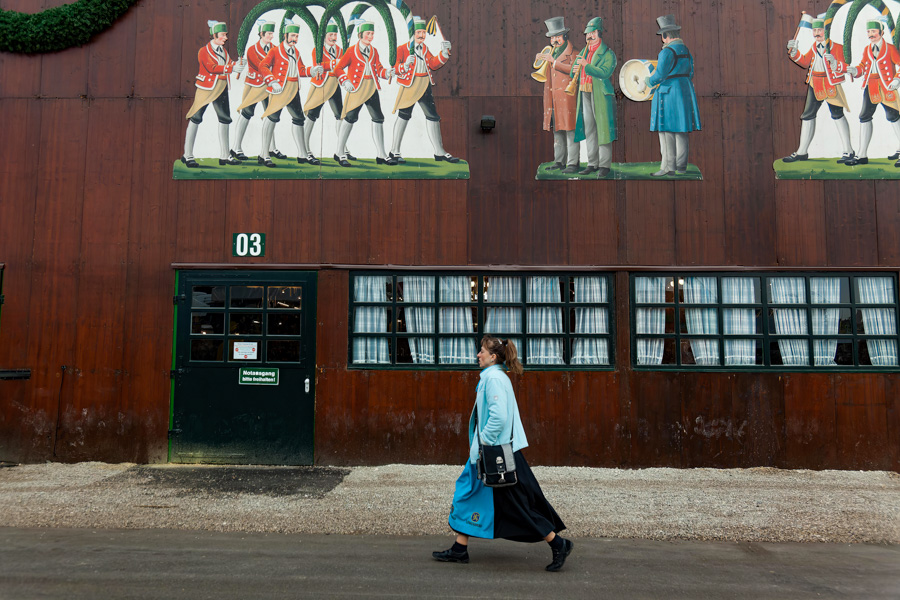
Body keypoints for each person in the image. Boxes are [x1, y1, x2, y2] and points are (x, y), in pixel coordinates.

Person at [432, 337, 573, 572]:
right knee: (469, 494)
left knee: (518, 504)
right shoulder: (494, 377)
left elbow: (499, 417)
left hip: (495, 455)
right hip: (492, 452)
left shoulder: (495, 378)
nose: (478, 354)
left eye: (482, 351)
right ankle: (459, 548)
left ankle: (558, 543)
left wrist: (484, 442)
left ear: (493, 356)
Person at [783, 15, 854, 164]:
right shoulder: (814, 47)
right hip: (815, 84)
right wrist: (794, 52)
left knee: (837, 114)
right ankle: (802, 152)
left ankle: (848, 150)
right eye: (814, 30)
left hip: (830, 84)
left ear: (826, 31)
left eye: (820, 30)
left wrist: (836, 64)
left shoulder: (837, 47)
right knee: (808, 115)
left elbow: (844, 66)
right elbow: (804, 62)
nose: (817, 33)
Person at [389, 17, 458, 164]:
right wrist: (404, 66)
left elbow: (432, 64)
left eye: (423, 32)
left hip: (424, 84)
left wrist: (444, 53)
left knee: (433, 116)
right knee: (404, 115)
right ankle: (394, 151)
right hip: (410, 85)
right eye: (418, 32)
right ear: (412, 33)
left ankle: (439, 151)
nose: (421, 35)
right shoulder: (402, 49)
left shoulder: (424, 48)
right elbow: (394, 68)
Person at [639, 15, 701, 176]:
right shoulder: (685, 50)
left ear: (667, 35)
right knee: (681, 130)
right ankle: (681, 166)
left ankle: (668, 168)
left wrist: (646, 81)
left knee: (666, 132)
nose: (662, 40)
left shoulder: (667, 52)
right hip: (684, 90)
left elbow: (659, 75)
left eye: (662, 37)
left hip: (668, 93)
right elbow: (691, 71)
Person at [258, 22, 325, 168]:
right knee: (272, 118)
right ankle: (264, 154)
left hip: (293, 89)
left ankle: (302, 154)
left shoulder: (296, 52)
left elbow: (300, 70)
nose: (295, 38)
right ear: (285, 36)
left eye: (296, 36)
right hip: (279, 89)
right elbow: (262, 66)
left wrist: (311, 71)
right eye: (292, 35)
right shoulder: (275, 51)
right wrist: (272, 81)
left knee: (299, 119)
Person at [181, 20, 246, 168]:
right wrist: (231, 68)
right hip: (206, 88)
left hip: (221, 88)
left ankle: (224, 155)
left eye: (225, 35)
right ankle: (188, 155)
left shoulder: (223, 51)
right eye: (223, 35)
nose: (225, 38)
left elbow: (228, 64)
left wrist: (237, 65)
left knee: (225, 119)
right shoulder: (204, 51)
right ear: (215, 35)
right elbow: (212, 67)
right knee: (196, 117)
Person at [333, 21, 397, 167]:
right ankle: (339, 152)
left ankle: (381, 154)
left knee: (378, 118)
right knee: (349, 118)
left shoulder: (374, 51)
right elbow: (338, 68)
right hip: (356, 88)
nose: (370, 36)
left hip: (371, 87)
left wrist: (386, 73)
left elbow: (378, 68)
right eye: (368, 33)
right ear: (360, 35)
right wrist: (345, 81)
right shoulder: (350, 51)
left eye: (372, 34)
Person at [845, 19, 900, 167]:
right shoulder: (867, 49)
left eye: (874, 31)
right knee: (864, 116)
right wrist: (855, 70)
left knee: (893, 116)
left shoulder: (890, 48)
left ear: (881, 33)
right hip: (871, 87)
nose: (871, 34)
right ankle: (862, 154)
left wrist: (897, 80)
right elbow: (863, 66)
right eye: (869, 32)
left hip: (887, 86)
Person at [231, 20, 287, 162]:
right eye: (268, 34)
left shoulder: (274, 48)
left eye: (272, 34)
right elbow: (261, 66)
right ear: (261, 34)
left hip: (269, 87)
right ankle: (236, 147)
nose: (271, 36)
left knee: (271, 115)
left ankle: (271, 147)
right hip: (255, 86)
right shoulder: (251, 50)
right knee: (246, 113)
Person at [303, 19, 355, 164]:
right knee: (312, 116)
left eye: (335, 34)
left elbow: (343, 64)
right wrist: (333, 63)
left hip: (334, 85)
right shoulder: (317, 49)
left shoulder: (339, 50)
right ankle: (305, 149)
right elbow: (318, 65)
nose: (333, 37)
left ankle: (342, 148)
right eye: (330, 34)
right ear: (324, 36)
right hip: (320, 86)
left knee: (340, 116)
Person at [534, 16, 580, 173]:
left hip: (568, 98)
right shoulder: (551, 52)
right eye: (552, 37)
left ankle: (573, 163)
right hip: (553, 99)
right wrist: (540, 61)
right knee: (558, 131)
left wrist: (553, 62)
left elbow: (574, 69)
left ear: (565, 36)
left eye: (557, 36)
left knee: (570, 130)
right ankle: (559, 161)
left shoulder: (574, 53)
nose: (555, 40)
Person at [572, 17, 617, 177]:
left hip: (600, 94)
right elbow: (573, 73)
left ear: (599, 33)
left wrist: (586, 65)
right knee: (589, 128)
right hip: (584, 92)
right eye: (587, 33)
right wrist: (576, 67)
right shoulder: (583, 52)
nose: (589, 36)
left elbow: (605, 72)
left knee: (602, 129)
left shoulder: (607, 53)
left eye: (592, 33)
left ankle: (604, 165)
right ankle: (592, 163)